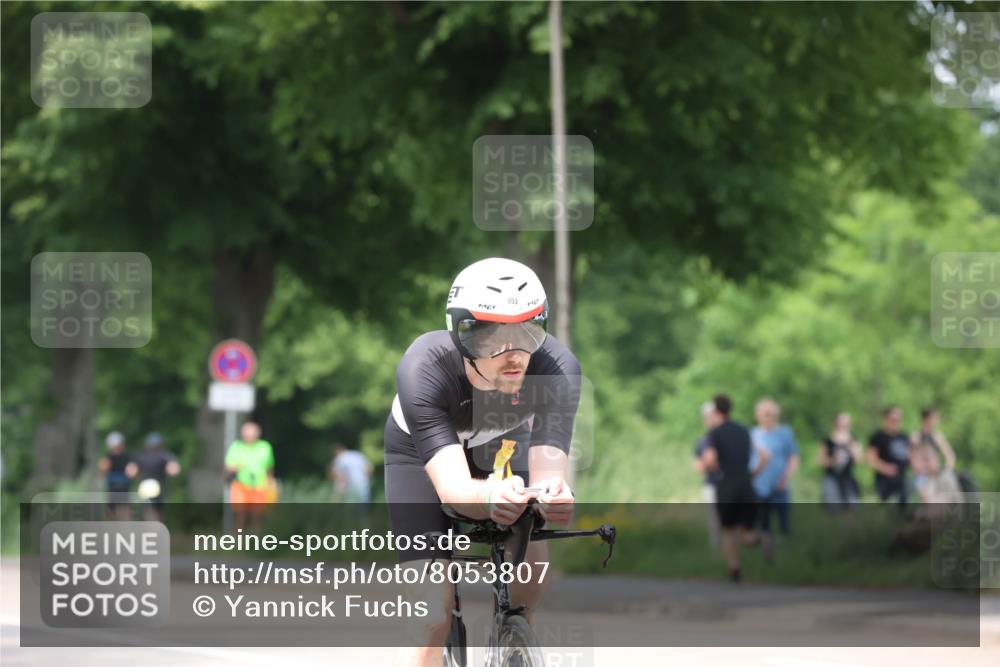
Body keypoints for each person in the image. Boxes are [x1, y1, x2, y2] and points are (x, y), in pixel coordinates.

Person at [383, 258, 579, 667]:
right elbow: (453, 489)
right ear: (464, 337)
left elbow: (548, 476)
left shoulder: (557, 370)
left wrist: (553, 497)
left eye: (528, 332)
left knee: (532, 570)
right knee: (430, 615)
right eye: (494, 339)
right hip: (420, 457)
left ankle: (512, 639)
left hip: (500, 445)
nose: (514, 355)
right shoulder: (423, 368)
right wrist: (490, 496)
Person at [700, 394, 769, 582]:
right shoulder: (744, 430)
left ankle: (734, 569)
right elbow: (764, 456)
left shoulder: (715, 433)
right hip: (746, 484)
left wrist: (707, 466)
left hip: (726, 485)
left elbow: (709, 460)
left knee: (728, 531)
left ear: (716, 411)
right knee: (746, 534)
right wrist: (752, 474)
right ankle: (760, 538)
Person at [751, 398, 800, 538]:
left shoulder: (785, 433)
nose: (767, 417)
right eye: (764, 414)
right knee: (762, 520)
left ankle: (785, 541)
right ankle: (766, 543)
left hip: (780, 484)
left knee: (783, 520)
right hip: (759, 486)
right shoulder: (752, 434)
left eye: (770, 414)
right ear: (757, 415)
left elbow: (793, 457)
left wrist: (786, 477)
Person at [224, 421, 275, 532]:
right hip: (241, 485)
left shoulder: (265, 447)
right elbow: (228, 467)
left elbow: (270, 467)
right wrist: (239, 466)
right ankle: (239, 539)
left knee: (257, 515)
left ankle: (256, 539)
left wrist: (270, 483)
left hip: (260, 486)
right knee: (240, 514)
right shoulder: (236, 447)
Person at [911, 407, 962, 503]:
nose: (936, 421)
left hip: (938, 474)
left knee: (951, 489)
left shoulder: (938, 437)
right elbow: (913, 460)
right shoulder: (916, 437)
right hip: (922, 475)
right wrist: (923, 469)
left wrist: (945, 470)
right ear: (926, 419)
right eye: (934, 418)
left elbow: (951, 457)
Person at [867, 406, 911, 510]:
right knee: (887, 507)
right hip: (884, 481)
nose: (896, 422)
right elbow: (870, 458)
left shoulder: (904, 436)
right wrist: (885, 468)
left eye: (898, 419)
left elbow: (911, 456)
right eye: (893, 419)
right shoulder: (878, 437)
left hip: (901, 478)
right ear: (886, 418)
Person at [130, 432, 181, 521]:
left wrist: (138, 475)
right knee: (158, 511)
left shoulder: (141, 456)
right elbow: (174, 470)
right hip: (159, 487)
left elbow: (131, 472)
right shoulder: (165, 455)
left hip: (145, 487)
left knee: (147, 510)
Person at [692, 401, 723, 547]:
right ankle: (716, 550)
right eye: (707, 417)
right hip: (711, 485)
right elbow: (698, 467)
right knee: (713, 520)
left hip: (729, 485)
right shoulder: (701, 441)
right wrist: (710, 460)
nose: (710, 420)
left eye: (713, 416)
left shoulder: (727, 437)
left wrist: (711, 459)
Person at [819, 412, 862, 511]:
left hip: (848, 477)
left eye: (845, 423)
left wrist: (852, 448)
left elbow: (859, 459)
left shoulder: (853, 441)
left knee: (852, 506)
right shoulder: (828, 441)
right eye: (841, 422)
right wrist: (833, 461)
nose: (843, 425)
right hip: (832, 478)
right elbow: (821, 460)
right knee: (833, 507)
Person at [99, 431, 132, 520]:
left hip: (123, 488)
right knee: (111, 511)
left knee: (124, 511)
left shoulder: (126, 457)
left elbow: (131, 472)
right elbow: (103, 471)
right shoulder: (108, 457)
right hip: (113, 488)